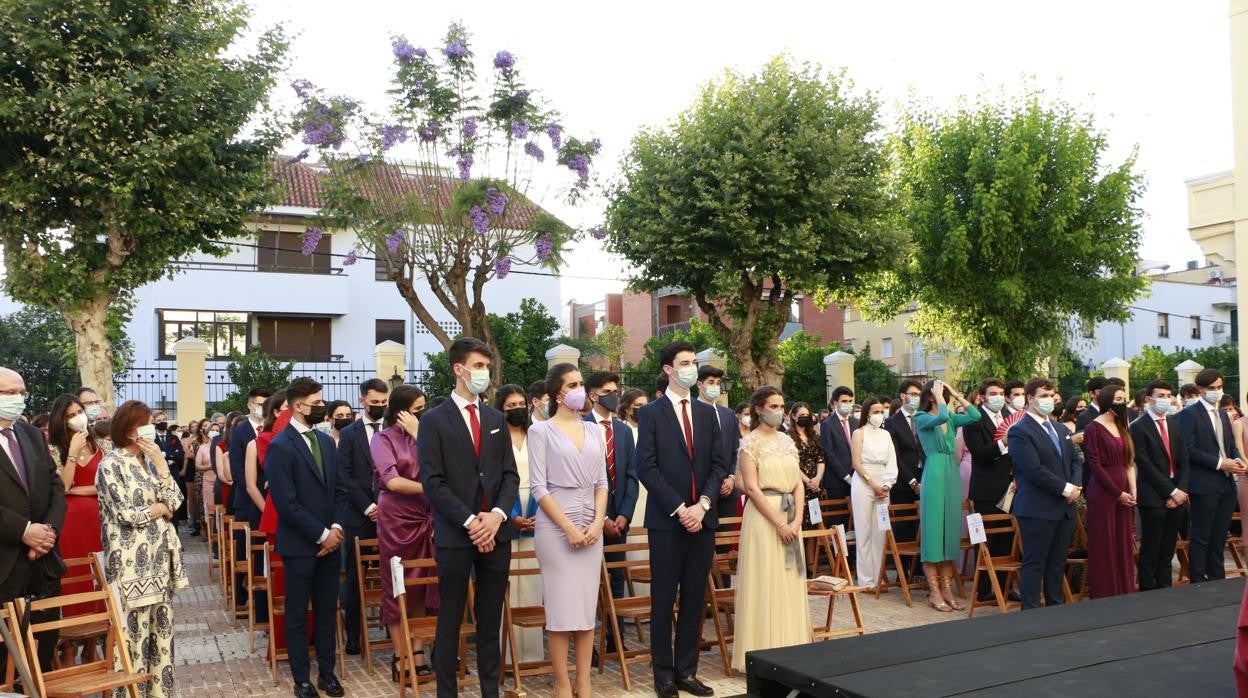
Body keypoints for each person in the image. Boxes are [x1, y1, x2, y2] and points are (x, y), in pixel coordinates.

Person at [417, 337, 520, 698]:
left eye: (486, 366)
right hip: (457, 535)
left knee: (490, 620)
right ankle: (448, 692)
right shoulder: (433, 420)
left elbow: (509, 475)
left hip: (496, 533)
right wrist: (471, 522)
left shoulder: (494, 418)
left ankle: (490, 691)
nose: (484, 373)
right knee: (451, 618)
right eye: (477, 366)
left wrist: (495, 516)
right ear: (459, 369)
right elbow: (432, 481)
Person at [635, 341, 727, 698]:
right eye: (685, 363)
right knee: (663, 599)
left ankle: (687, 670)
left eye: (695, 362)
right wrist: (680, 508)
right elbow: (646, 467)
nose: (693, 368)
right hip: (667, 521)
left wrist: (703, 504)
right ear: (669, 370)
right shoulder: (652, 413)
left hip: (702, 519)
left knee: (693, 598)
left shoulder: (707, 413)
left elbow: (719, 463)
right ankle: (664, 675)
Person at [97, 400, 187, 697]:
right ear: (128, 429)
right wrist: (158, 509)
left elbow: (176, 502)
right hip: (128, 565)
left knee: (161, 637)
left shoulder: (149, 461)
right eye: (144, 423)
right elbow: (126, 514)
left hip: (159, 562)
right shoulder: (111, 464)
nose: (150, 427)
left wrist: (161, 466)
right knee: (131, 638)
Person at [264, 377, 348, 698]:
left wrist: (337, 528)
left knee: (328, 610)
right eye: (317, 402)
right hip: (300, 545)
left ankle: (328, 674)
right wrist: (322, 534)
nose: (322, 407)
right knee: (298, 613)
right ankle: (302, 679)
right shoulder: (280, 446)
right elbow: (286, 502)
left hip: (332, 543)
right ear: (299, 406)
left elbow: (340, 491)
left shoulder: (326, 442)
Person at [528, 364, 609, 698]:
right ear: (557, 393)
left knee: (586, 608)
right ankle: (561, 682)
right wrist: (568, 528)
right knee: (561, 609)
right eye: (573, 384)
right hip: (555, 529)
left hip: (592, 527)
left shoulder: (594, 431)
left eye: (581, 383)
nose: (580, 389)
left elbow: (603, 483)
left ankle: (584, 681)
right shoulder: (541, 432)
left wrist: (596, 522)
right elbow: (538, 487)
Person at [732, 386, 811, 671]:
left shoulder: (788, 441)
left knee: (789, 580)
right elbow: (751, 488)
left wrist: (797, 520)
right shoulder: (749, 444)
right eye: (773, 407)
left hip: (791, 516)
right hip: (764, 520)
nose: (778, 412)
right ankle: (763, 654)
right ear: (758, 409)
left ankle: (792, 650)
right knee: (764, 581)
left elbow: (798, 483)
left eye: (781, 406)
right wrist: (779, 523)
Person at [0, 368, 66, 673]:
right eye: (9, 393)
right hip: (5, 562)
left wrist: (47, 533)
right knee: (6, 663)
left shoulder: (30, 434)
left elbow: (54, 485)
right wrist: (25, 531)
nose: (18, 399)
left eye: (21, 393)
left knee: (42, 648)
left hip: (42, 563)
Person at [371, 385, 438, 682]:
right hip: (397, 520)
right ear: (400, 411)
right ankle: (400, 653)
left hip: (428, 516)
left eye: (423, 409)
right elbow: (393, 482)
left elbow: (442, 467)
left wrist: (420, 433)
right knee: (398, 584)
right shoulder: (382, 439)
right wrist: (433, 489)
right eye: (417, 409)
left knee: (423, 584)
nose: (421, 414)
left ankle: (419, 650)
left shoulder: (428, 436)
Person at [1011, 378, 1082, 610]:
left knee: (1057, 562)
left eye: (1052, 396)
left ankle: (1056, 609)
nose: (1049, 401)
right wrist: (1065, 489)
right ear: (1030, 398)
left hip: (1064, 509)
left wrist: (1076, 486)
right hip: (1037, 508)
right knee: (1035, 563)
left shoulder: (1061, 428)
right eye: (1043, 396)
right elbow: (1033, 469)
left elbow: (1075, 461)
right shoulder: (1020, 431)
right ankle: (1031, 612)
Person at [915, 380, 980, 612]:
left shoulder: (951, 416)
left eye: (944, 392)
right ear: (931, 395)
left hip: (951, 473)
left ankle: (948, 589)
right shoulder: (921, 417)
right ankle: (934, 592)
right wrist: (939, 397)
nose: (944, 395)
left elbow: (975, 416)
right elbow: (940, 417)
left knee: (949, 535)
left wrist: (955, 393)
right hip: (934, 471)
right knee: (933, 535)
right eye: (939, 391)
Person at [1178, 368, 1244, 583]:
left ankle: (1218, 579)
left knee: (1219, 537)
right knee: (1201, 536)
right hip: (1204, 484)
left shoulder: (1224, 414)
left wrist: (1237, 460)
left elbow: (1230, 445)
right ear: (1200, 389)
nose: (1216, 392)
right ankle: (1199, 580)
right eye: (1212, 388)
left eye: (1219, 387)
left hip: (1226, 484)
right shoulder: (1189, 414)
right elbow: (1188, 449)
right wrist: (1219, 463)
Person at [338, 378, 388, 656]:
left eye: (384, 402)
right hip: (358, 517)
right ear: (362, 401)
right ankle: (353, 635)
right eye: (375, 402)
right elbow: (345, 476)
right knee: (356, 578)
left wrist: (386, 505)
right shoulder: (349, 434)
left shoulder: (393, 428)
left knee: (394, 573)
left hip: (391, 515)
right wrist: (369, 507)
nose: (380, 407)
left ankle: (395, 627)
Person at [47, 394, 105, 617]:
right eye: (70, 415)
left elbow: (106, 485)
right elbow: (61, 486)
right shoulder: (52, 449)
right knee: (73, 575)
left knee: (100, 574)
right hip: (69, 523)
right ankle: (70, 643)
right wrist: (71, 453)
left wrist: (76, 490)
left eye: (79, 412)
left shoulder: (101, 445)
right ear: (61, 420)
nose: (77, 418)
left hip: (99, 519)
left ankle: (98, 639)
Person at [584, 371, 639, 606]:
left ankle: (615, 638)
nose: (613, 396)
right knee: (589, 581)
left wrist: (624, 515)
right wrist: (602, 517)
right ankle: (590, 639)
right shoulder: (581, 428)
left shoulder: (624, 431)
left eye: (615, 392)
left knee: (617, 579)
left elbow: (632, 476)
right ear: (592, 395)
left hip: (619, 521)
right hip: (590, 520)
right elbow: (583, 480)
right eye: (607, 392)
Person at [497, 384, 542, 667]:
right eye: (510, 405)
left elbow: (545, 475)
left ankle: (532, 654)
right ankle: (509, 654)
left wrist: (538, 512)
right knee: (511, 583)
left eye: (520, 404)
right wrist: (512, 514)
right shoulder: (496, 439)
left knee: (533, 583)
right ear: (500, 409)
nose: (517, 409)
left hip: (538, 510)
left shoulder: (537, 435)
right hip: (506, 512)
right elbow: (498, 480)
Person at [1131, 380, 1190, 590]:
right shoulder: (1138, 427)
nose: (1166, 399)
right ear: (1149, 399)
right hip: (1153, 497)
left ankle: (1166, 589)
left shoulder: (1174, 424)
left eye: (1168, 395)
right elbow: (1145, 465)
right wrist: (1171, 491)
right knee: (1151, 549)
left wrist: (1181, 490)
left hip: (1178, 497)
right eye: (1161, 395)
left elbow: (1184, 460)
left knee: (1167, 550)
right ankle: (1148, 593)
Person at [964, 378, 1018, 601]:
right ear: (983, 396)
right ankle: (984, 590)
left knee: (1007, 540)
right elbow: (979, 453)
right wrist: (1002, 442)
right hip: (986, 488)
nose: (997, 396)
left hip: (1009, 487)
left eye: (1000, 392)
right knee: (986, 541)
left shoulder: (1009, 417)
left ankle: (1004, 587)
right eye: (992, 393)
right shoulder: (973, 420)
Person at [1082, 384, 1138, 599]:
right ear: (1107, 401)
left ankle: (1125, 589)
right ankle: (1106, 592)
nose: (1123, 403)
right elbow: (1095, 466)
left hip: (1124, 492)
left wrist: (1132, 489)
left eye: (1124, 399)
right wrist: (1118, 493)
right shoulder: (1093, 428)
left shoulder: (1123, 426)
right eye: (1118, 399)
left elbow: (1129, 462)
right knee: (1105, 542)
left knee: (1123, 541)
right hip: (1104, 493)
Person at [850, 397, 898, 588]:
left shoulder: (886, 435)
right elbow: (856, 463)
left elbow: (892, 461)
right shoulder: (859, 433)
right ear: (867, 414)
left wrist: (886, 484)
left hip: (883, 480)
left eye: (881, 411)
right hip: (863, 481)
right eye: (875, 412)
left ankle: (878, 577)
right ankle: (866, 581)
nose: (879, 415)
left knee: (880, 531)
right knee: (864, 531)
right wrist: (873, 484)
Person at [230, 389, 270, 611]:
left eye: (266, 403)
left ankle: (263, 602)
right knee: (245, 551)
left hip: (268, 497)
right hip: (247, 501)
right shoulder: (240, 431)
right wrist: (253, 489)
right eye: (258, 404)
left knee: (262, 555)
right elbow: (237, 469)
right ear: (249, 406)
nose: (261, 407)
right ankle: (240, 598)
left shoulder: (273, 429)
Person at [697, 366, 741, 524]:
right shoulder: (691, 413)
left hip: (728, 490)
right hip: (702, 491)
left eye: (717, 382)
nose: (715, 386)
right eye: (710, 382)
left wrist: (731, 477)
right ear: (699, 385)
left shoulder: (728, 414)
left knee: (726, 543)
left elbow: (736, 450)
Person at [883, 379, 926, 542]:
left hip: (926, 478)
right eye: (913, 394)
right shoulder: (891, 423)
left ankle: (922, 567)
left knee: (924, 528)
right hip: (903, 482)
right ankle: (904, 565)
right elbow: (895, 457)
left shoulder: (924, 418)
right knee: (905, 529)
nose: (916, 398)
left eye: (919, 395)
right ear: (903, 396)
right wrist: (913, 482)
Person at [787, 402, 825, 526]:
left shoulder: (814, 435)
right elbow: (791, 463)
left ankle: (813, 546)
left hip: (816, 485)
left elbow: (820, 459)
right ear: (793, 416)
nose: (805, 417)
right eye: (801, 414)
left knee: (816, 522)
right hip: (799, 483)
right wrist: (807, 481)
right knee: (801, 522)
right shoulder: (787, 437)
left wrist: (817, 479)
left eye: (807, 414)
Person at [819, 386, 857, 502]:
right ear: (835, 403)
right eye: (844, 401)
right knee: (837, 517)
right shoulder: (827, 424)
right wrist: (845, 476)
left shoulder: (856, 422)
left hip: (856, 477)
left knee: (855, 516)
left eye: (850, 401)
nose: (848, 404)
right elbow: (829, 453)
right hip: (836, 480)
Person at [151, 411, 187, 524]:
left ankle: (175, 529)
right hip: (157, 475)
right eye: (159, 420)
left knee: (174, 504)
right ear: (154, 422)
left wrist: (166, 455)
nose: (162, 422)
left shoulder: (174, 438)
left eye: (164, 419)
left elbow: (180, 455)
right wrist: (170, 456)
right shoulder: (151, 438)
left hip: (173, 475)